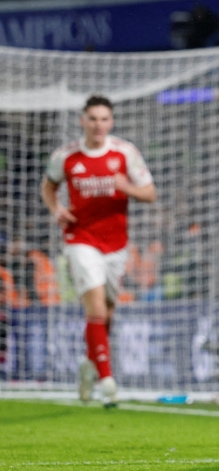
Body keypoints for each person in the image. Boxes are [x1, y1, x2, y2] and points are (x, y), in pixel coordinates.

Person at [41, 95, 157, 407]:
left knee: (107, 314)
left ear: (111, 122)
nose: (98, 125)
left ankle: (89, 364)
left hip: (116, 245)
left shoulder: (125, 153)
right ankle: (108, 384)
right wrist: (56, 209)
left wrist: (126, 187)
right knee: (94, 308)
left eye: (104, 119)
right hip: (80, 239)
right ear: (83, 121)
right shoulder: (66, 156)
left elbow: (150, 193)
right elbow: (48, 186)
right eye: (92, 118)